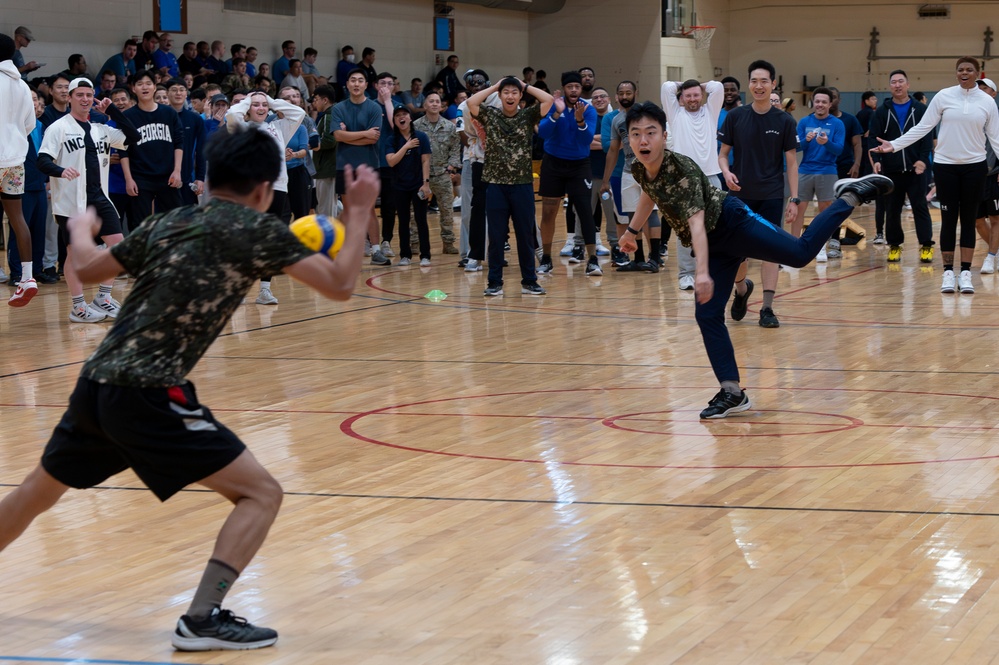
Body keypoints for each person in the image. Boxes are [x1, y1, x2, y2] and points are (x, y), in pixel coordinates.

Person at [0, 126, 376, 652]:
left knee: (33, 495)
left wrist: (82, 228)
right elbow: (339, 284)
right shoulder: (257, 229)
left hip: (97, 382)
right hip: (149, 392)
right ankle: (202, 617)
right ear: (265, 190)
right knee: (261, 493)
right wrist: (357, 212)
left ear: (206, 179)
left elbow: (85, 266)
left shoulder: (169, 219)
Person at [622, 102, 892, 418]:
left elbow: (696, 222)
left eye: (650, 133)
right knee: (707, 315)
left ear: (665, 136)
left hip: (735, 223)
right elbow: (650, 194)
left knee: (801, 254)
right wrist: (631, 230)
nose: (643, 141)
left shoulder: (681, 169)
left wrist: (703, 273)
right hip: (717, 245)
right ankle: (733, 392)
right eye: (636, 134)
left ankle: (850, 197)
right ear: (628, 138)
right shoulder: (642, 167)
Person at [873, 56, 999, 294]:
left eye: (969, 70)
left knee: (970, 220)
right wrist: (895, 145)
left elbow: (996, 138)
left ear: (977, 73)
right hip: (945, 166)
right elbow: (923, 127)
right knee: (949, 221)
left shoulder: (987, 102)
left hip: (975, 166)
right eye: (960, 69)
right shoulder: (944, 96)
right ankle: (948, 273)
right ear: (956, 73)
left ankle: (965, 272)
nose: (964, 73)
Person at [36, 78, 140, 322]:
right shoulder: (58, 127)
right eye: (79, 94)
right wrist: (61, 171)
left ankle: (103, 298)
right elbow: (42, 160)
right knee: (75, 255)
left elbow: (133, 137)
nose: (84, 99)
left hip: (99, 196)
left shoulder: (100, 128)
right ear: (69, 97)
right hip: (72, 202)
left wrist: (112, 110)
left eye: (88, 95)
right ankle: (77, 306)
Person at [718, 60, 799, 329]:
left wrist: (794, 198)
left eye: (764, 81)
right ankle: (741, 290)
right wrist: (726, 173)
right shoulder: (735, 117)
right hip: (739, 197)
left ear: (773, 84)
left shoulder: (785, 120)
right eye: (754, 81)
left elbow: (791, 163)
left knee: (770, 252)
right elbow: (722, 155)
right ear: (749, 84)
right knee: (737, 254)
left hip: (771, 195)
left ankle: (767, 308)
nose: (759, 86)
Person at [467, 76, 554, 296]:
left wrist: (524, 85)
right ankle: (494, 282)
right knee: (496, 237)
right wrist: (496, 86)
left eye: (514, 92)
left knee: (525, 235)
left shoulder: (527, 116)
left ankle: (529, 281)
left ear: (520, 97)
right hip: (496, 185)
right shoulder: (491, 115)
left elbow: (549, 100)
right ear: (500, 96)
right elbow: (472, 103)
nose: (510, 96)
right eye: (506, 92)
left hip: (522, 185)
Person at [226, 90, 305, 304]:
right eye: (256, 105)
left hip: (278, 188)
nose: (260, 108)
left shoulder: (278, 127)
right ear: (248, 108)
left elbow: (298, 113)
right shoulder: (240, 128)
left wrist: (270, 100)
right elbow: (232, 115)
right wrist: (246, 100)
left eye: (263, 105)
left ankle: (264, 290)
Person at [662, 77, 724, 291]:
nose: (692, 99)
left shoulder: (710, 112)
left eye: (696, 94)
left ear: (702, 96)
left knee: (715, 226)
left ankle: (709, 270)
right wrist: (684, 86)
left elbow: (718, 87)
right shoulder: (675, 114)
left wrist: (700, 85)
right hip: (684, 180)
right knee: (685, 230)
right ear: (681, 98)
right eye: (688, 95)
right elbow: (666, 87)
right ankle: (686, 274)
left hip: (712, 176)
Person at [536, 71, 601, 276]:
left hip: (579, 165)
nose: (574, 90)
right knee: (548, 211)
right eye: (569, 86)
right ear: (564, 89)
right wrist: (556, 113)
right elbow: (543, 133)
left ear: (581, 89)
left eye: (577, 87)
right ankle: (546, 258)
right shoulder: (554, 105)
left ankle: (592, 259)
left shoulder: (587, 109)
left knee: (584, 210)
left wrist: (580, 121)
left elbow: (585, 140)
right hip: (553, 163)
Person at [868, 69, 934, 264]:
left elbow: (927, 135)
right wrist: (878, 160)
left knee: (920, 206)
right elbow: (873, 137)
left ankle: (926, 246)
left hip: (916, 169)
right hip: (891, 169)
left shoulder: (920, 110)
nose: (897, 85)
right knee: (893, 209)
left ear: (908, 85)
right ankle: (895, 246)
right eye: (894, 82)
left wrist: (923, 159)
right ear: (890, 86)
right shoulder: (882, 111)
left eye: (901, 81)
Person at [0, 32, 39, 305]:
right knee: (18, 219)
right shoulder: (22, 85)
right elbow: (29, 125)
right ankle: (27, 278)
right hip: (15, 160)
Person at [121, 70, 184, 225]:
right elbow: (123, 151)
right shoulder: (128, 116)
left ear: (155, 87)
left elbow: (179, 143)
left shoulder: (169, 113)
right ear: (133, 88)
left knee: (173, 222)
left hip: (167, 176)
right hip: (141, 177)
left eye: (148, 83)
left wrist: (177, 171)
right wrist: (128, 179)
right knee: (140, 225)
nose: (145, 87)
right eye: (140, 84)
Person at [792, 86, 844, 261]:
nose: (820, 104)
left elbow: (838, 150)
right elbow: (797, 147)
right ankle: (793, 245)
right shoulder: (804, 122)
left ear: (830, 104)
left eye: (824, 102)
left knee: (825, 212)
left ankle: (819, 246)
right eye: (817, 101)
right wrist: (806, 142)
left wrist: (827, 142)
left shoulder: (837, 124)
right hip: (805, 170)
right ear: (813, 103)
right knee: (798, 209)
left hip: (827, 172)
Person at [387, 107, 432, 265]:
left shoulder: (421, 137)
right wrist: (406, 146)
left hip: (418, 185)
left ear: (410, 118)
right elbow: (391, 161)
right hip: (399, 185)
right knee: (403, 220)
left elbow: (426, 160)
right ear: (394, 120)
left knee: (421, 220)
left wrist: (426, 184)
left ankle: (425, 255)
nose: (401, 118)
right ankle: (405, 255)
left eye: (404, 115)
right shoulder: (391, 140)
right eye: (398, 116)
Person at [165, 79, 206, 205]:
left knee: (186, 220)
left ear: (186, 93)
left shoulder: (195, 119)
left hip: (187, 177)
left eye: (181, 90)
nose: (178, 93)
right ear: (167, 93)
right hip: (162, 177)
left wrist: (200, 178)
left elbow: (201, 150)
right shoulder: (160, 116)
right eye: (174, 90)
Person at [974, 77, 999, 274]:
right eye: (978, 88)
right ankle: (996, 250)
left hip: (994, 175)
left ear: (993, 94)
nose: (981, 91)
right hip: (974, 175)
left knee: (996, 218)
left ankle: (991, 257)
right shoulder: (972, 117)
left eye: (985, 88)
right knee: (978, 221)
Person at [311, 84, 338, 217]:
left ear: (325, 100)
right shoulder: (329, 114)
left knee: (325, 210)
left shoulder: (329, 115)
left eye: (316, 99)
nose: (314, 102)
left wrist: (311, 145)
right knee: (331, 206)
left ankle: (331, 237)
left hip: (327, 168)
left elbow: (329, 140)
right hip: (328, 167)